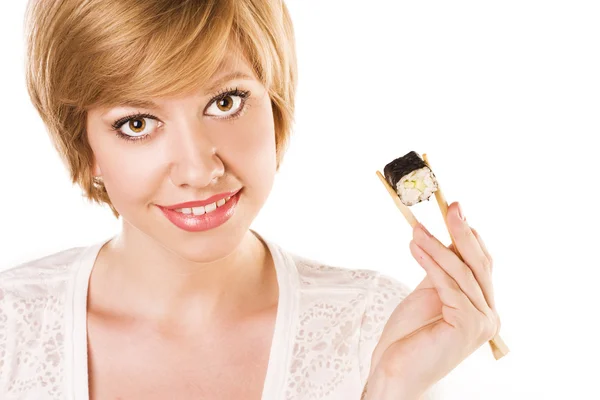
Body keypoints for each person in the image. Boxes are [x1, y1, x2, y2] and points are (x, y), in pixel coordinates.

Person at [0, 0, 501, 399]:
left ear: (276, 105)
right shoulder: (10, 332)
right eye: (137, 123)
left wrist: (389, 389)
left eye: (225, 102)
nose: (199, 170)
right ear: (86, 148)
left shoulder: (380, 329)